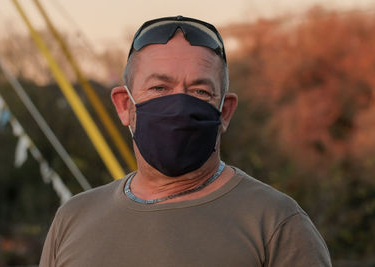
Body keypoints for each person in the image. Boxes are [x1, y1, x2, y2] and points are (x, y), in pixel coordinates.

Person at [39, 16, 332, 266]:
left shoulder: (277, 224)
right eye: (159, 87)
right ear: (123, 105)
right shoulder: (73, 218)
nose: (179, 105)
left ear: (225, 111)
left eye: (200, 92)